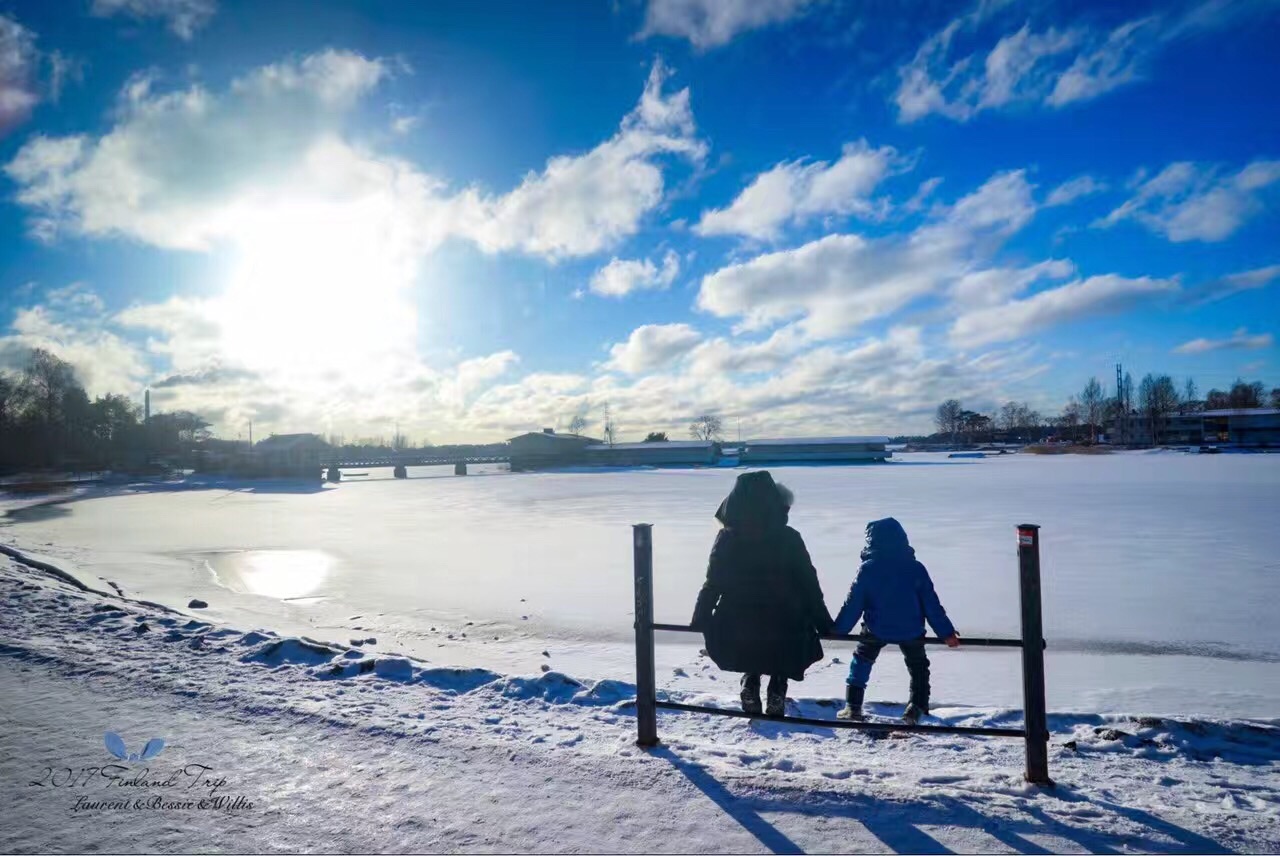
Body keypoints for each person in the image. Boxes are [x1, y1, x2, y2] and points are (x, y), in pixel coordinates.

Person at [691, 471, 834, 716]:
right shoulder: (789, 538)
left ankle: (750, 682)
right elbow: (808, 583)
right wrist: (824, 622)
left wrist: (701, 615)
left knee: (751, 644)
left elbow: (714, 581)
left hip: (738, 617)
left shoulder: (727, 538)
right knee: (783, 644)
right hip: (785, 617)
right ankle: (777, 688)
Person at [832, 517, 960, 724]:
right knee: (918, 666)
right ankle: (916, 707)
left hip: (876, 627)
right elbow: (932, 605)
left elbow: (853, 605)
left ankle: (853, 706)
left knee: (862, 659)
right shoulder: (916, 568)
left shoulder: (868, 569)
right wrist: (946, 633)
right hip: (911, 629)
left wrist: (839, 630)